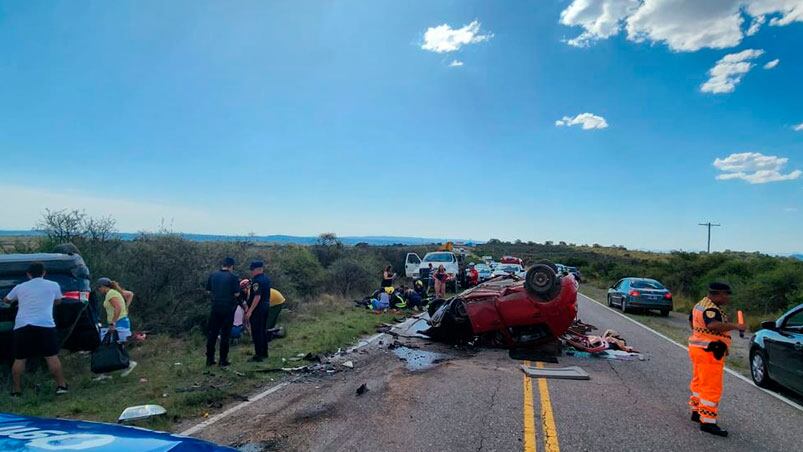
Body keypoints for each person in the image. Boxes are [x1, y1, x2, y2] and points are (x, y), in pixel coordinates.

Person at [687, 282, 745, 437]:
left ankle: (696, 411)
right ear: (719, 294)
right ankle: (708, 422)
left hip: (698, 348)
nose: (727, 298)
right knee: (711, 386)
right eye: (726, 295)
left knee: (699, 381)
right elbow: (713, 325)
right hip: (710, 351)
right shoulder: (711, 309)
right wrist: (736, 326)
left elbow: (691, 321)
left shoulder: (700, 304)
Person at [3, 262, 68, 396]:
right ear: (44, 273)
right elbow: (58, 301)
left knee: (20, 358)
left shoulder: (20, 287)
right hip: (45, 324)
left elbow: (7, 300)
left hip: (23, 325)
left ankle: (16, 391)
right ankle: (61, 386)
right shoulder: (53, 285)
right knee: (51, 356)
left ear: (28, 274)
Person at [205, 257, 240, 367]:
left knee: (212, 334)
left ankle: (209, 359)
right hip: (228, 308)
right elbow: (237, 294)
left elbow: (208, 290)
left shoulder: (213, 275)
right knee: (225, 335)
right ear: (231, 266)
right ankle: (223, 360)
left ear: (223, 264)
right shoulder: (233, 277)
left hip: (215, 307)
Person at [245, 261, 271, 362]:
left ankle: (258, 355)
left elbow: (257, 296)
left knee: (256, 332)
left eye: (252, 270)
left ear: (257, 269)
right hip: (265, 307)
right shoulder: (266, 278)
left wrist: (250, 311)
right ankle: (264, 353)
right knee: (262, 330)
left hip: (258, 309)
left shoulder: (257, 281)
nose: (251, 272)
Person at [96, 278, 135, 343]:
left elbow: (118, 307)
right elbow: (130, 294)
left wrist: (113, 323)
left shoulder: (110, 294)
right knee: (119, 346)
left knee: (113, 345)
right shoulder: (114, 292)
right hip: (122, 321)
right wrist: (126, 307)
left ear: (103, 286)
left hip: (119, 323)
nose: (99, 289)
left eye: (99, 287)